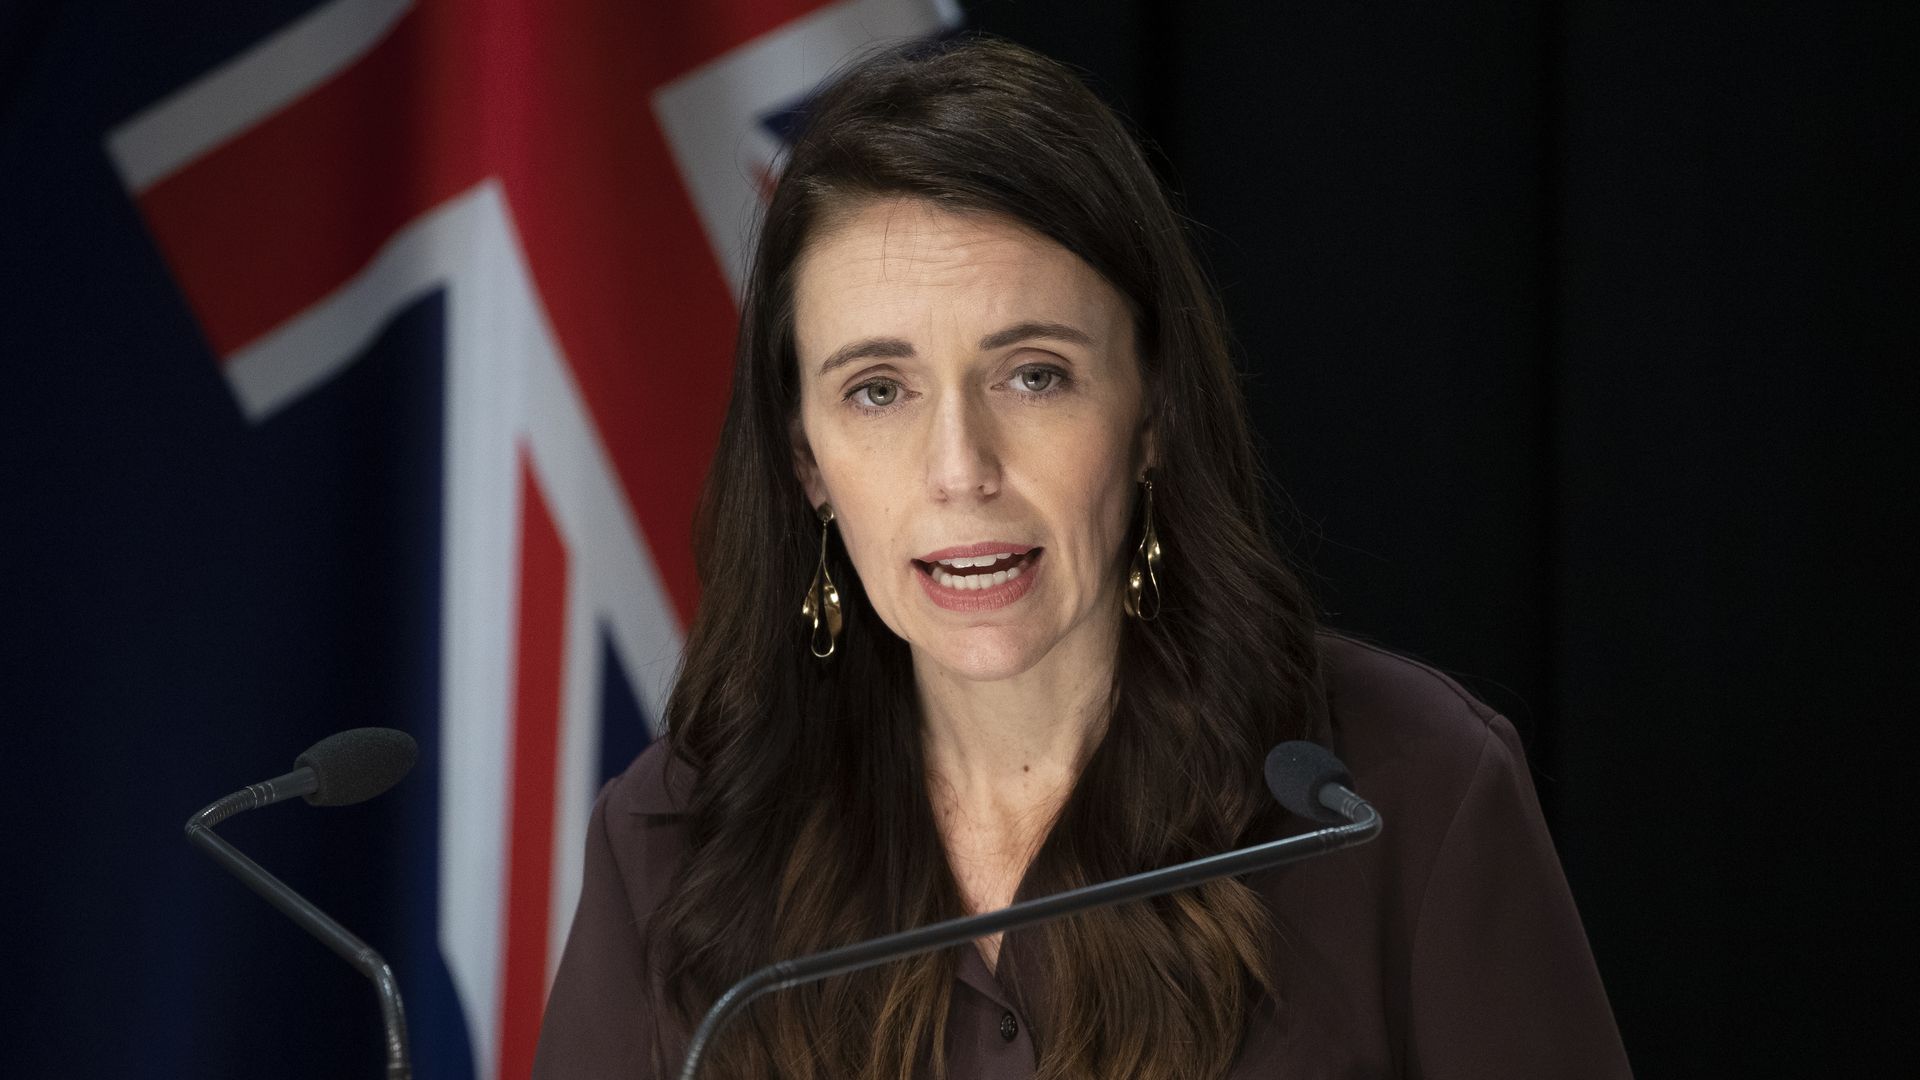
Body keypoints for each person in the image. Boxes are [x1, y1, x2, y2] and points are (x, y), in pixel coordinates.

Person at [532, 35, 1630, 1080]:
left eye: (1035, 374)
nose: (961, 468)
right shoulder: (673, 846)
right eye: (879, 390)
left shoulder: (1404, 796)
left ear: (1151, 411)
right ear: (806, 459)